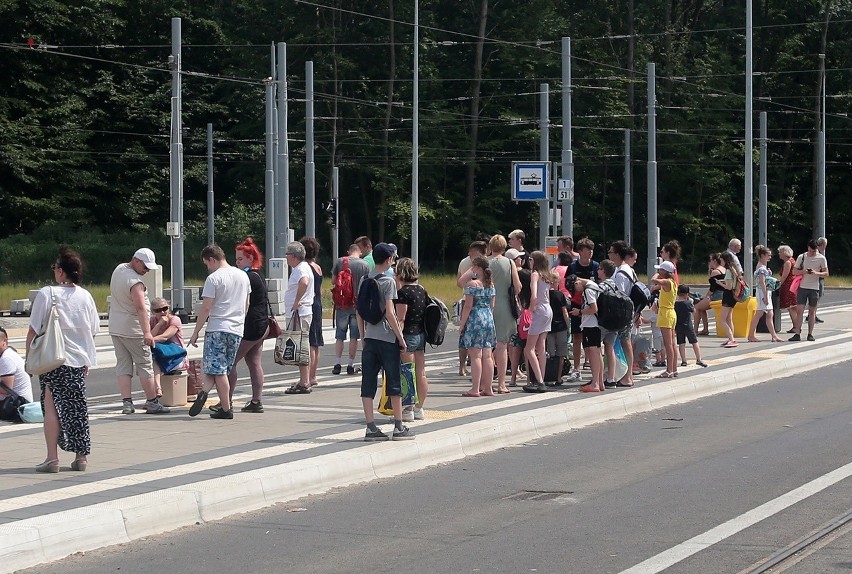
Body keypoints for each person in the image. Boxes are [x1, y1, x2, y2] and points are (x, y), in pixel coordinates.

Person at [27, 248, 99, 472]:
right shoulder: (85, 296)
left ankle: (52, 458)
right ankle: (81, 458)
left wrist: (29, 359)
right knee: (77, 408)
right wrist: (86, 357)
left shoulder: (47, 293)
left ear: (60, 271)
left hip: (53, 360)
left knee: (51, 408)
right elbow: (93, 330)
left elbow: (33, 329)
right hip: (77, 361)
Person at [357, 242, 414, 441]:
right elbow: (390, 313)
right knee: (393, 382)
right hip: (387, 339)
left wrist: (363, 336)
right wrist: (400, 338)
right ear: (389, 259)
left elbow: (359, 312)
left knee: (368, 383)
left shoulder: (365, 279)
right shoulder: (388, 281)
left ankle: (370, 427)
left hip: (370, 339)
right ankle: (399, 426)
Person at [188, 244, 251, 419]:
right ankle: (205, 392)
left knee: (219, 371)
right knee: (215, 368)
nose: (207, 268)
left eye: (207, 264)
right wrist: (239, 321)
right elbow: (247, 304)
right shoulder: (243, 276)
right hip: (236, 329)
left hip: (217, 328)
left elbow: (206, 308)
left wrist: (196, 331)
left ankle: (226, 408)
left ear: (212, 259)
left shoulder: (214, 279)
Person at [108, 248, 169, 415]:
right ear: (136, 260)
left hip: (116, 327)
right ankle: (152, 402)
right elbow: (141, 308)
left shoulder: (119, 269)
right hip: (133, 329)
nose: (147, 270)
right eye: (145, 266)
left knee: (123, 365)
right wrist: (147, 332)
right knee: (145, 365)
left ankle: (127, 403)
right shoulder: (136, 282)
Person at [224, 238, 269, 413]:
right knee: (254, 362)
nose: (237, 263)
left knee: (230, 363)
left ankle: (226, 401)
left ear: (251, 258)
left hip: (250, 326)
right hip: (261, 325)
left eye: (240, 259)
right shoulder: (258, 274)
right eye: (236, 259)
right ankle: (256, 401)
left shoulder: (247, 277)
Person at [393, 257, 429, 420]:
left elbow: (401, 319)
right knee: (420, 373)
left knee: (407, 373)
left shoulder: (403, 293)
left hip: (408, 334)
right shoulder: (421, 290)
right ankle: (420, 408)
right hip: (421, 335)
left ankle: (408, 409)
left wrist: (398, 338)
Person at [488, 234, 521, 394]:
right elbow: (518, 286)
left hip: (486, 306)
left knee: (484, 347)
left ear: (490, 247)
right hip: (505, 306)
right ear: (504, 247)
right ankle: (501, 383)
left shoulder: (485, 263)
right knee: (502, 346)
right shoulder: (509, 263)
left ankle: (485, 383)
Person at [280, 241, 315, 393]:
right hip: (302, 312)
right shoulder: (303, 267)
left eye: (287, 255)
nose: (286, 258)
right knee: (300, 345)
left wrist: (297, 301)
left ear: (293, 256)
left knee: (299, 346)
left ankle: (304, 381)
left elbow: (304, 283)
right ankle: (304, 379)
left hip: (299, 313)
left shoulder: (300, 269)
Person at [458, 257, 497, 397]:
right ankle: (488, 387)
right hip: (488, 318)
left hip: (475, 318)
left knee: (475, 355)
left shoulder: (472, 285)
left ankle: (475, 388)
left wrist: (462, 325)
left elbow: (468, 306)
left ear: (477, 267)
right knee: (487, 355)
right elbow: (492, 305)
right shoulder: (491, 284)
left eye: (473, 266)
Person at [331, 244, 370, 375]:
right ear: (359, 253)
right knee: (354, 337)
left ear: (349, 251)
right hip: (357, 306)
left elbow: (333, 281)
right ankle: (350, 365)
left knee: (340, 336)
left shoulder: (340, 261)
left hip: (342, 305)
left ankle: (337, 364)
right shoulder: (364, 265)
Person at [523, 251, 556, 393]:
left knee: (529, 348)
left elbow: (534, 295)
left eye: (530, 259)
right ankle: (541, 377)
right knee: (541, 346)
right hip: (548, 309)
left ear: (535, 261)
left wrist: (531, 309)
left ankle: (539, 381)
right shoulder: (547, 276)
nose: (529, 261)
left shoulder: (535, 274)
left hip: (540, 310)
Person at [567, 274, 604, 393]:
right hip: (595, 324)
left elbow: (594, 309)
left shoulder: (588, 290)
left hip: (590, 324)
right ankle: (600, 381)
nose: (576, 293)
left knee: (593, 353)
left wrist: (580, 312)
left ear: (577, 282)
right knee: (597, 353)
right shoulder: (594, 285)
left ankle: (595, 383)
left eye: (574, 289)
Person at [456, 241, 487, 376]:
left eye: (472, 252)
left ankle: (465, 367)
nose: (469, 254)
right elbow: (459, 282)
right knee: (480, 344)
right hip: (480, 308)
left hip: (471, 304)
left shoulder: (478, 265)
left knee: (469, 338)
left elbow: (460, 281)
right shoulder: (466, 262)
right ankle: (464, 366)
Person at [569, 238, 599, 378]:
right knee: (577, 336)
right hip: (576, 304)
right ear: (580, 251)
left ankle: (589, 362)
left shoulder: (596, 266)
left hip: (592, 305)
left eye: (592, 250)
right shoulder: (573, 267)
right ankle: (576, 367)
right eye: (588, 250)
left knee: (591, 336)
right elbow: (568, 285)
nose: (591, 252)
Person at [607, 241, 636, 386]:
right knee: (626, 342)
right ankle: (626, 374)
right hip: (629, 311)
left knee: (623, 342)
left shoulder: (620, 273)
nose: (609, 254)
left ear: (617, 254)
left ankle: (627, 375)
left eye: (611, 252)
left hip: (622, 313)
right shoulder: (629, 269)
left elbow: (621, 294)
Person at [789, 239, 828, 342]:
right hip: (803, 287)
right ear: (808, 248)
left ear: (817, 249)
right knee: (800, 311)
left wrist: (816, 273)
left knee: (812, 312)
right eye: (810, 251)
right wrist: (804, 272)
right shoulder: (802, 257)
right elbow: (794, 271)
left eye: (814, 251)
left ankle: (810, 333)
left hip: (814, 288)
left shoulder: (821, 258)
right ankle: (797, 333)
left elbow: (826, 273)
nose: (812, 253)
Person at [149, 297, 187, 397]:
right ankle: (156, 391)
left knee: (155, 362)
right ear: (153, 312)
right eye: (158, 310)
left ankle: (155, 392)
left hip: (176, 355)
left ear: (169, 308)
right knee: (151, 362)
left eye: (165, 309)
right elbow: (149, 336)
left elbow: (164, 337)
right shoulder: (152, 321)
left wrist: (149, 340)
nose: (162, 312)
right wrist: (159, 324)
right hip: (160, 355)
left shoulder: (175, 320)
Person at [300, 237, 324, 387]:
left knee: (308, 342)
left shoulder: (304, 268)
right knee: (315, 342)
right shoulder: (317, 267)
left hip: (308, 304)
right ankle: (313, 375)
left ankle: (307, 377)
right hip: (318, 303)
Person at [747, 245, 783, 343]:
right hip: (763, 292)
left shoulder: (762, 267)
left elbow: (763, 280)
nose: (770, 257)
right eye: (768, 255)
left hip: (765, 292)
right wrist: (765, 297)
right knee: (760, 313)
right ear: (762, 255)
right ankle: (751, 335)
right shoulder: (761, 268)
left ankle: (773, 335)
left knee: (769, 314)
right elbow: (762, 282)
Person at [651, 260, 678, 378]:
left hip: (666, 313)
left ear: (665, 271)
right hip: (670, 312)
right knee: (672, 343)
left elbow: (654, 280)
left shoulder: (667, 281)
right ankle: (674, 369)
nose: (658, 271)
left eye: (660, 270)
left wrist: (657, 275)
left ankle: (669, 370)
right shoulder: (672, 282)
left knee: (668, 344)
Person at [693, 253, 725, 336]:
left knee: (696, 307)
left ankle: (695, 330)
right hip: (723, 294)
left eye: (710, 261)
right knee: (702, 308)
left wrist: (706, 297)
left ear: (714, 261)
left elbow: (712, 288)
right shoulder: (724, 269)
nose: (709, 263)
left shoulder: (715, 272)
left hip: (717, 294)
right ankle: (705, 329)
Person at [675, 286, 707, 367]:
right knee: (694, 342)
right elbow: (694, 312)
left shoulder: (675, 304)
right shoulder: (688, 303)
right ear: (687, 294)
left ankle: (684, 360)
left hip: (678, 326)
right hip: (688, 326)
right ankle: (699, 359)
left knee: (681, 343)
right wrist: (691, 302)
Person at [0, 326, 33, 404]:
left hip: (17, 406)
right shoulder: (7, 354)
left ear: (5, 341)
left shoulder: (7, 358)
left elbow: (5, 390)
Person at [718, 251, 741, 348]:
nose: (721, 262)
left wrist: (719, 283)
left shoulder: (728, 271)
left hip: (728, 295)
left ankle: (731, 339)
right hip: (734, 296)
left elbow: (728, 286)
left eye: (721, 260)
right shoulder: (734, 269)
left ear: (724, 260)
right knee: (728, 318)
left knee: (722, 319)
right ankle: (731, 338)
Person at [777, 245, 800, 329]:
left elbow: (784, 276)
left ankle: (796, 327)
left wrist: (778, 285)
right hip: (793, 286)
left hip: (788, 286)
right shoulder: (792, 260)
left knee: (791, 307)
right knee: (793, 307)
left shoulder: (787, 262)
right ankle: (796, 326)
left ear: (785, 253)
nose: (779, 254)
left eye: (780, 252)